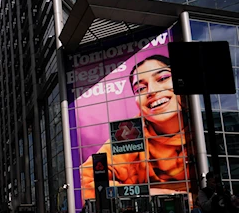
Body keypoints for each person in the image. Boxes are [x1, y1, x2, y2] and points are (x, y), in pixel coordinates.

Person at [80, 55, 188, 195]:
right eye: (141, 88)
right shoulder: (131, 133)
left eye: (162, 79)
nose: (151, 91)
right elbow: (86, 180)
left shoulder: (201, 122)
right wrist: (151, 194)